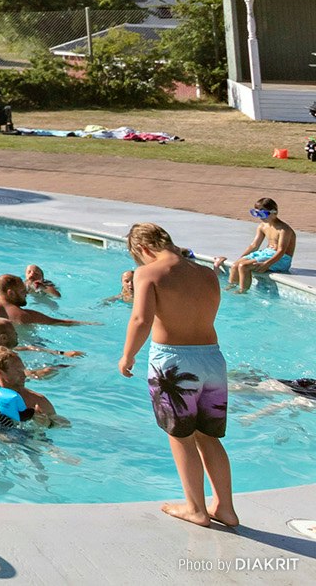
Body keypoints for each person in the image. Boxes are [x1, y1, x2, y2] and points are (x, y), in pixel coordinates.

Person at [122, 222, 237, 528]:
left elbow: (141, 319)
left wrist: (127, 355)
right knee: (208, 436)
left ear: (143, 249)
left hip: (173, 362)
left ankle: (196, 509)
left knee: (180, 436)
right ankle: (225, 508)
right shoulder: (207, 273)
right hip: (212, 359)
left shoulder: (148, 273)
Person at [219, 197, 296, 292]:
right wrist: (241, 258)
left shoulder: (284, 230)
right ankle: (231, 288)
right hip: (267, 253)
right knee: (235, 265)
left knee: (244, 266)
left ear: (274, 213)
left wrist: (267, 264)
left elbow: (281, 250)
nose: (260, 217)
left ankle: (242, 292)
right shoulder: (262, 226)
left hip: (282, 259)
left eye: (262, 214)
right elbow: (254, 245)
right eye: (256, 213)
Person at [0, 317, 81, 377]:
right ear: (4, 337)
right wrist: (58, 368)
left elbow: (28, 348)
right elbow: (23, 375)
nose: (17, 335)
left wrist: (62, 353)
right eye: (14, 333)